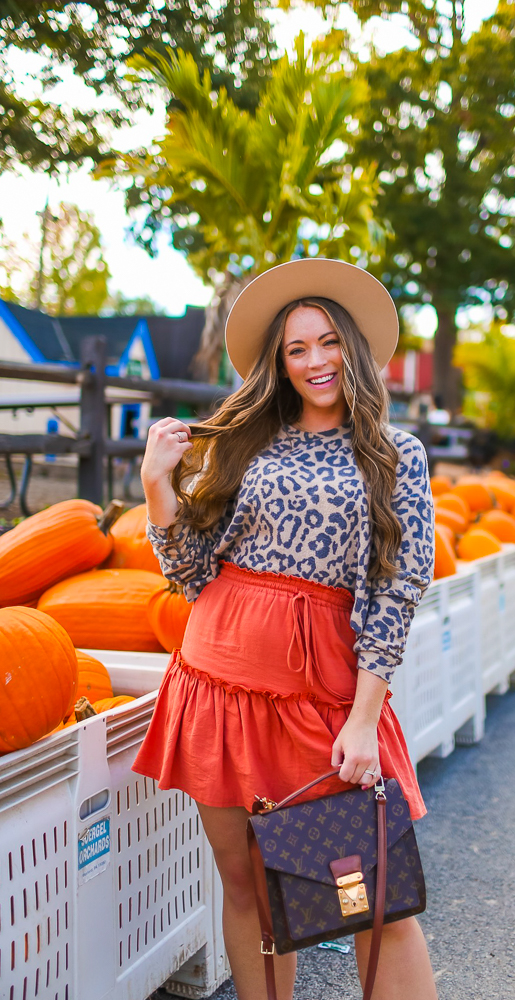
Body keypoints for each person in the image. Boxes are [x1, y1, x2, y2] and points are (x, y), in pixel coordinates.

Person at [133, 258, 437, 1000]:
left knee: (366, 899)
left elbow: (395, 589)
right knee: (248, 888)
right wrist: (156, 485)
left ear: (353, 349)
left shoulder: (396, 456)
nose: (313, 362)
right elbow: (191, 570)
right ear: (278, 362)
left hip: (322, 699)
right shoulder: (247, 444)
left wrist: (364, 720)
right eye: (296, 349)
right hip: (218, 681)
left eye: (327, 342)